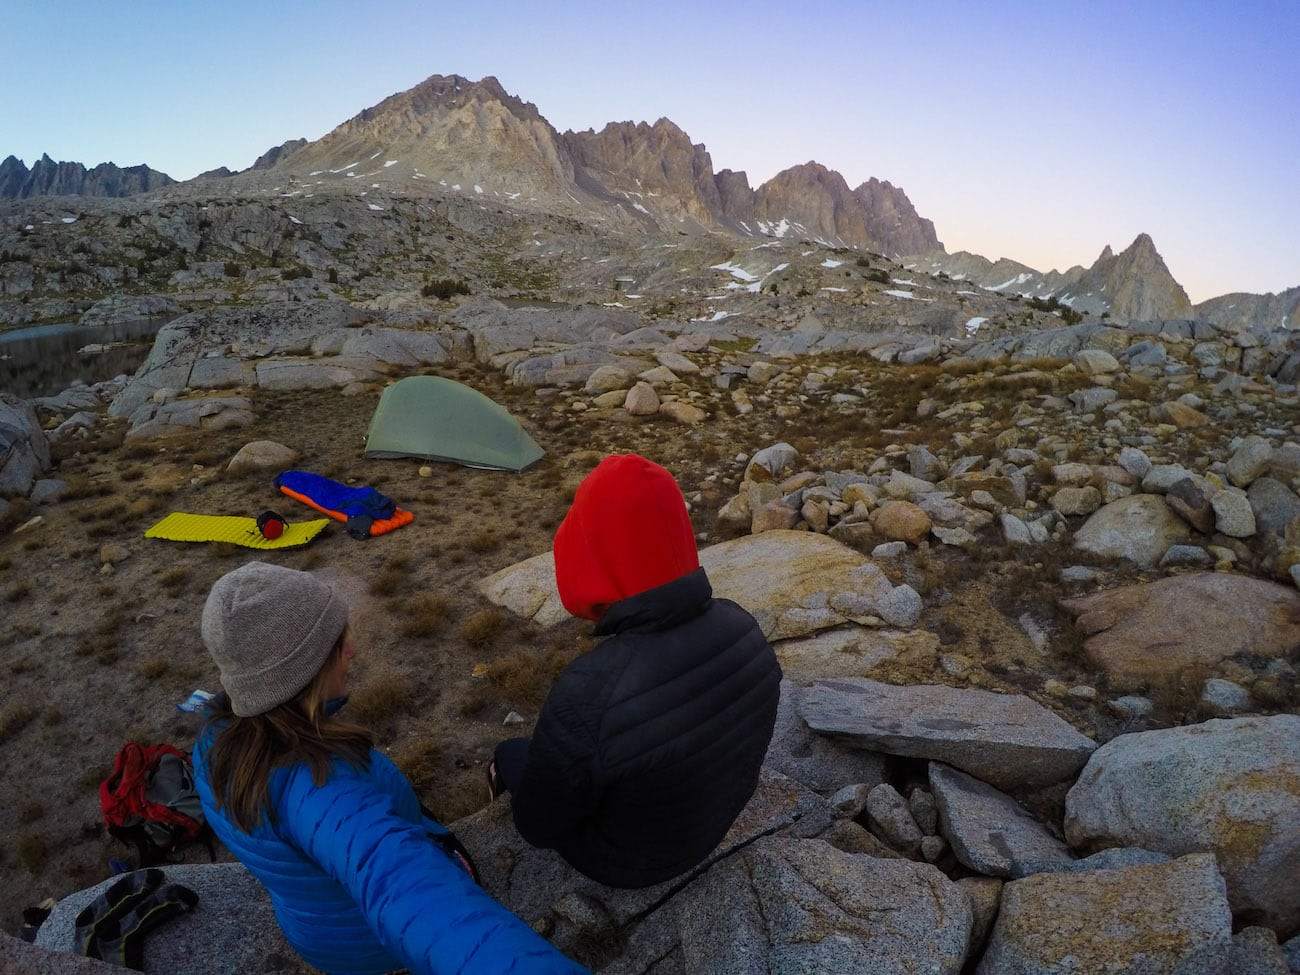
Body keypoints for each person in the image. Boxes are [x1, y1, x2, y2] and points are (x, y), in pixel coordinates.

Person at [193, 561, 587, 975]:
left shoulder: (214, 741)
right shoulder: (322, 788)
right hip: (371, 949)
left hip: (316, 932)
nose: (351, 651)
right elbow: (414, 898)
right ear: (303, 671)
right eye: (336, 642)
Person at [490, 454, 783, 888]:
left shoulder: (590, 689)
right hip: (717, 821)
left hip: (633, 864)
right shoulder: (743, 625)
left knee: (510, 755)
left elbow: (537, 828)